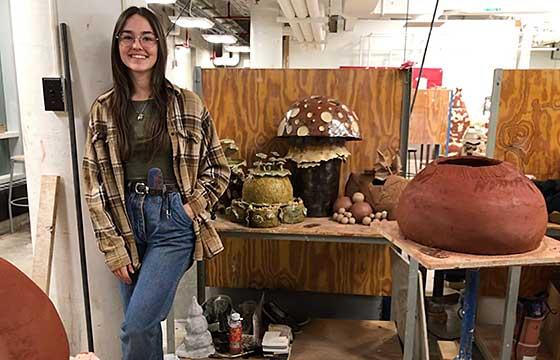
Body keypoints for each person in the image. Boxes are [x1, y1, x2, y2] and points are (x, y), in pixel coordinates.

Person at [82, 6, 230, 359]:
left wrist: (189, 207)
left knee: (135, 326)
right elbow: (93, 185)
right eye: (128, 37)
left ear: (160, 46)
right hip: (125, 223)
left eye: (147, 37)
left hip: (171, 222)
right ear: (118, 45)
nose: (138, 45)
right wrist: (112, 246)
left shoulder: (187, 103)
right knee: (143, 329)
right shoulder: (104, 109)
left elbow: (219, 169)